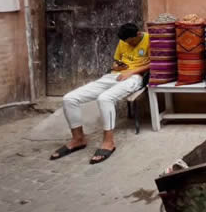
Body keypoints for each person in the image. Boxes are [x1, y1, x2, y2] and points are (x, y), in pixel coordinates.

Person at [50, 22, 150, 164]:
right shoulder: (123, 42)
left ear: (138, 34)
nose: (128, 44)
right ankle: (78, 138)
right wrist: (116, 66)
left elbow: (156, 62)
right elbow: (116, 62)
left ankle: (108, 142)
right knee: (69, 98)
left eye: (131, 41)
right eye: (126, 42)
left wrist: (132, 71)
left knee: (105, 99)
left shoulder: (149, 39)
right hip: (113, 76)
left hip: (135, 78)